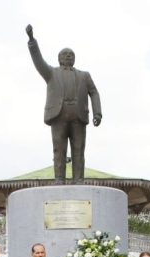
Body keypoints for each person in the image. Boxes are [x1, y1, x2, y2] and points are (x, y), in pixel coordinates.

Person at [26, 24, 102, 184]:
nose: (68, 56)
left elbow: (94, 92)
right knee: (59, 149)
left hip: (78, 116)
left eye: (71, 54)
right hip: (58, 115)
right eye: (65, 54)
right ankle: (59, 179)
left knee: (79, 150)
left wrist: (97, 113)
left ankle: (78, 180)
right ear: (59, 58)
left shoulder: (84, 75)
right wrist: (32, 40)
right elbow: (38, 61)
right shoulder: (51, 73)